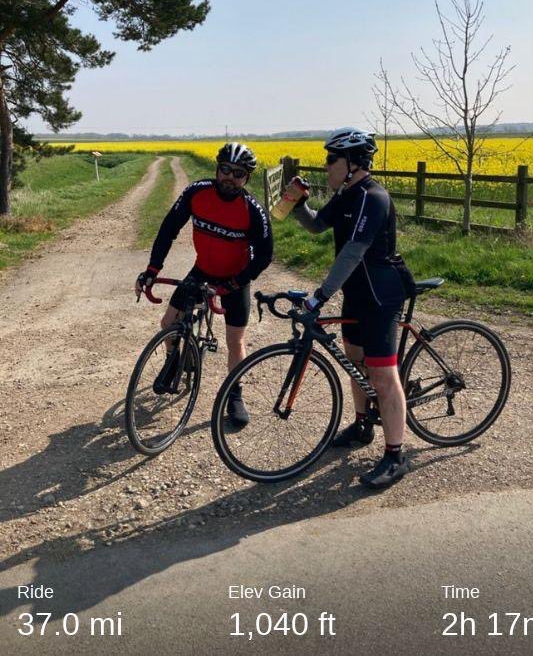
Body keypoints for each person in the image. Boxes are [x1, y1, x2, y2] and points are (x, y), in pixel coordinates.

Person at [290, 128, 413, 489]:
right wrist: (298, 207)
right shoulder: (346, 194)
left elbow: (353, 252)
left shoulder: (373, 198)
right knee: (355, 362)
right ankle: (362, 426)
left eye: (332, 159)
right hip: (357, 293)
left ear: (354, 163)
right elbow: (316, 225)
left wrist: (320, 295)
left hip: (382, 296)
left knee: (383, 377)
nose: (326, 165)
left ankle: (396, 456)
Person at [135, 143, 273, 427]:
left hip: (235, 279)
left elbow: (265, 255)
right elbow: (169, 228)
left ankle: (235, 394)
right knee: (168, 323)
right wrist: (152, 268)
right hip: (203, 270)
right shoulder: (196, 192)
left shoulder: (252, 210)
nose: (230, 177)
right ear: (216, 168)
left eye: (239, 173)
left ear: (247, 178)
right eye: (225, 169)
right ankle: (173, 361)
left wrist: (236, 283)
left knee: (235, 341)